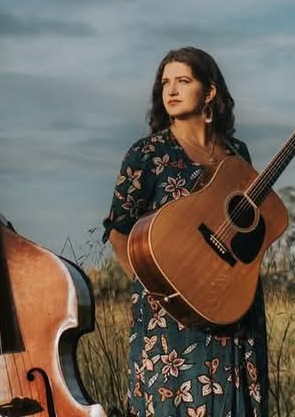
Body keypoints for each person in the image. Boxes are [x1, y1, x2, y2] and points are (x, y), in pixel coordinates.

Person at [103, 46, 270, 417]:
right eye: (165, 82)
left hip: (233, 303)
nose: (171, 90)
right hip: (171, 318)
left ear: (209, 92)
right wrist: (160, 288)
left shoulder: (237, 153)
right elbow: (118, 231)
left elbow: (250, 224)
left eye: (183, 80)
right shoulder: (147, 153)